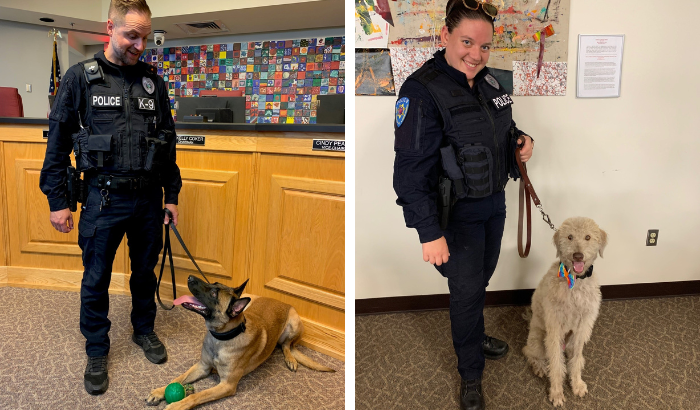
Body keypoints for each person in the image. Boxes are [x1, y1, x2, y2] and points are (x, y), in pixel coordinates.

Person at [392, 0, 534, 409]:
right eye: (467, 43)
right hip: (457, 215)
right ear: (445, 37)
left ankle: (472, 330)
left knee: (479, 281)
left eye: (485, 46)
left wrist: (520, 141)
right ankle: (471, 373)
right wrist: (429, 232)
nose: (476, 54)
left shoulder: (489, 81)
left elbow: (497, 129)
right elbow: (409, 172)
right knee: (467, 291)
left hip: (494, 204)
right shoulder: (421, 91)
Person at [39, 0, 181, 395]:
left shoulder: (154, 81)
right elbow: (57, 144)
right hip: (103, 198)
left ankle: (144, 330)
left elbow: (166, 143)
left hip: (148, 199)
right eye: (131, 35)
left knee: (144, 271)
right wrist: (57, 200)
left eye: (144, 37)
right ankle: (97, 348)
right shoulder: (80, 78)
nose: (139, 44)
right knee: (97, 277)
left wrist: (172, 194)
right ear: (110, 28)